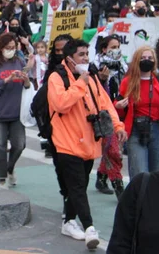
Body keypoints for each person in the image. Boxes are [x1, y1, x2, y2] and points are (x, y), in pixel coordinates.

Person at [48, 38, 127, 249]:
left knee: (79, 185)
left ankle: (68, 222)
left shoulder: (91, 78)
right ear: (70, 59)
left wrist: (118, 126)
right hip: (66, 143)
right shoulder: (57, 78)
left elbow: (105, 104)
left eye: (86, 54)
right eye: (81, 55)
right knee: (78, 187)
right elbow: (61, 104)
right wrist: (80, 84)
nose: (85, 58)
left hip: (89, 143)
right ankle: (90, 227)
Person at [114, 46, 159, 179]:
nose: (146, 60)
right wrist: (118, 106)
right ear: (137, 60)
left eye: (150, 58)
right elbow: (117, 103)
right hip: (137, 130)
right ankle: (138, 198)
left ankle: (153, 199)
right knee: (139, 172)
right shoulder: (128, 82)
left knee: (157, 172)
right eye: (143, 58)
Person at [0, 33, 30, 189]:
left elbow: (28, 87)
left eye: (13, 47)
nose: (10, 50)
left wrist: (26, 81)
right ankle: (1, 179)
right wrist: (5, 80)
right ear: (0, 48)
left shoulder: (19, 61)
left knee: (20, 144)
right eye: (7, 47)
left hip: (17, 113)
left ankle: (10, 167)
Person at [92, 35, 128, 198]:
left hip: (121, 113)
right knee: (113, 151)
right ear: (104, 49)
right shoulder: (97, 67)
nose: (116, 50)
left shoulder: (123, 66)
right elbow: (97, 95)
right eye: (112, 47)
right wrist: (102, 79)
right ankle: (118, 186)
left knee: (111, 148)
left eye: (118, 46)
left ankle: (101, 177)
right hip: (105, 115)